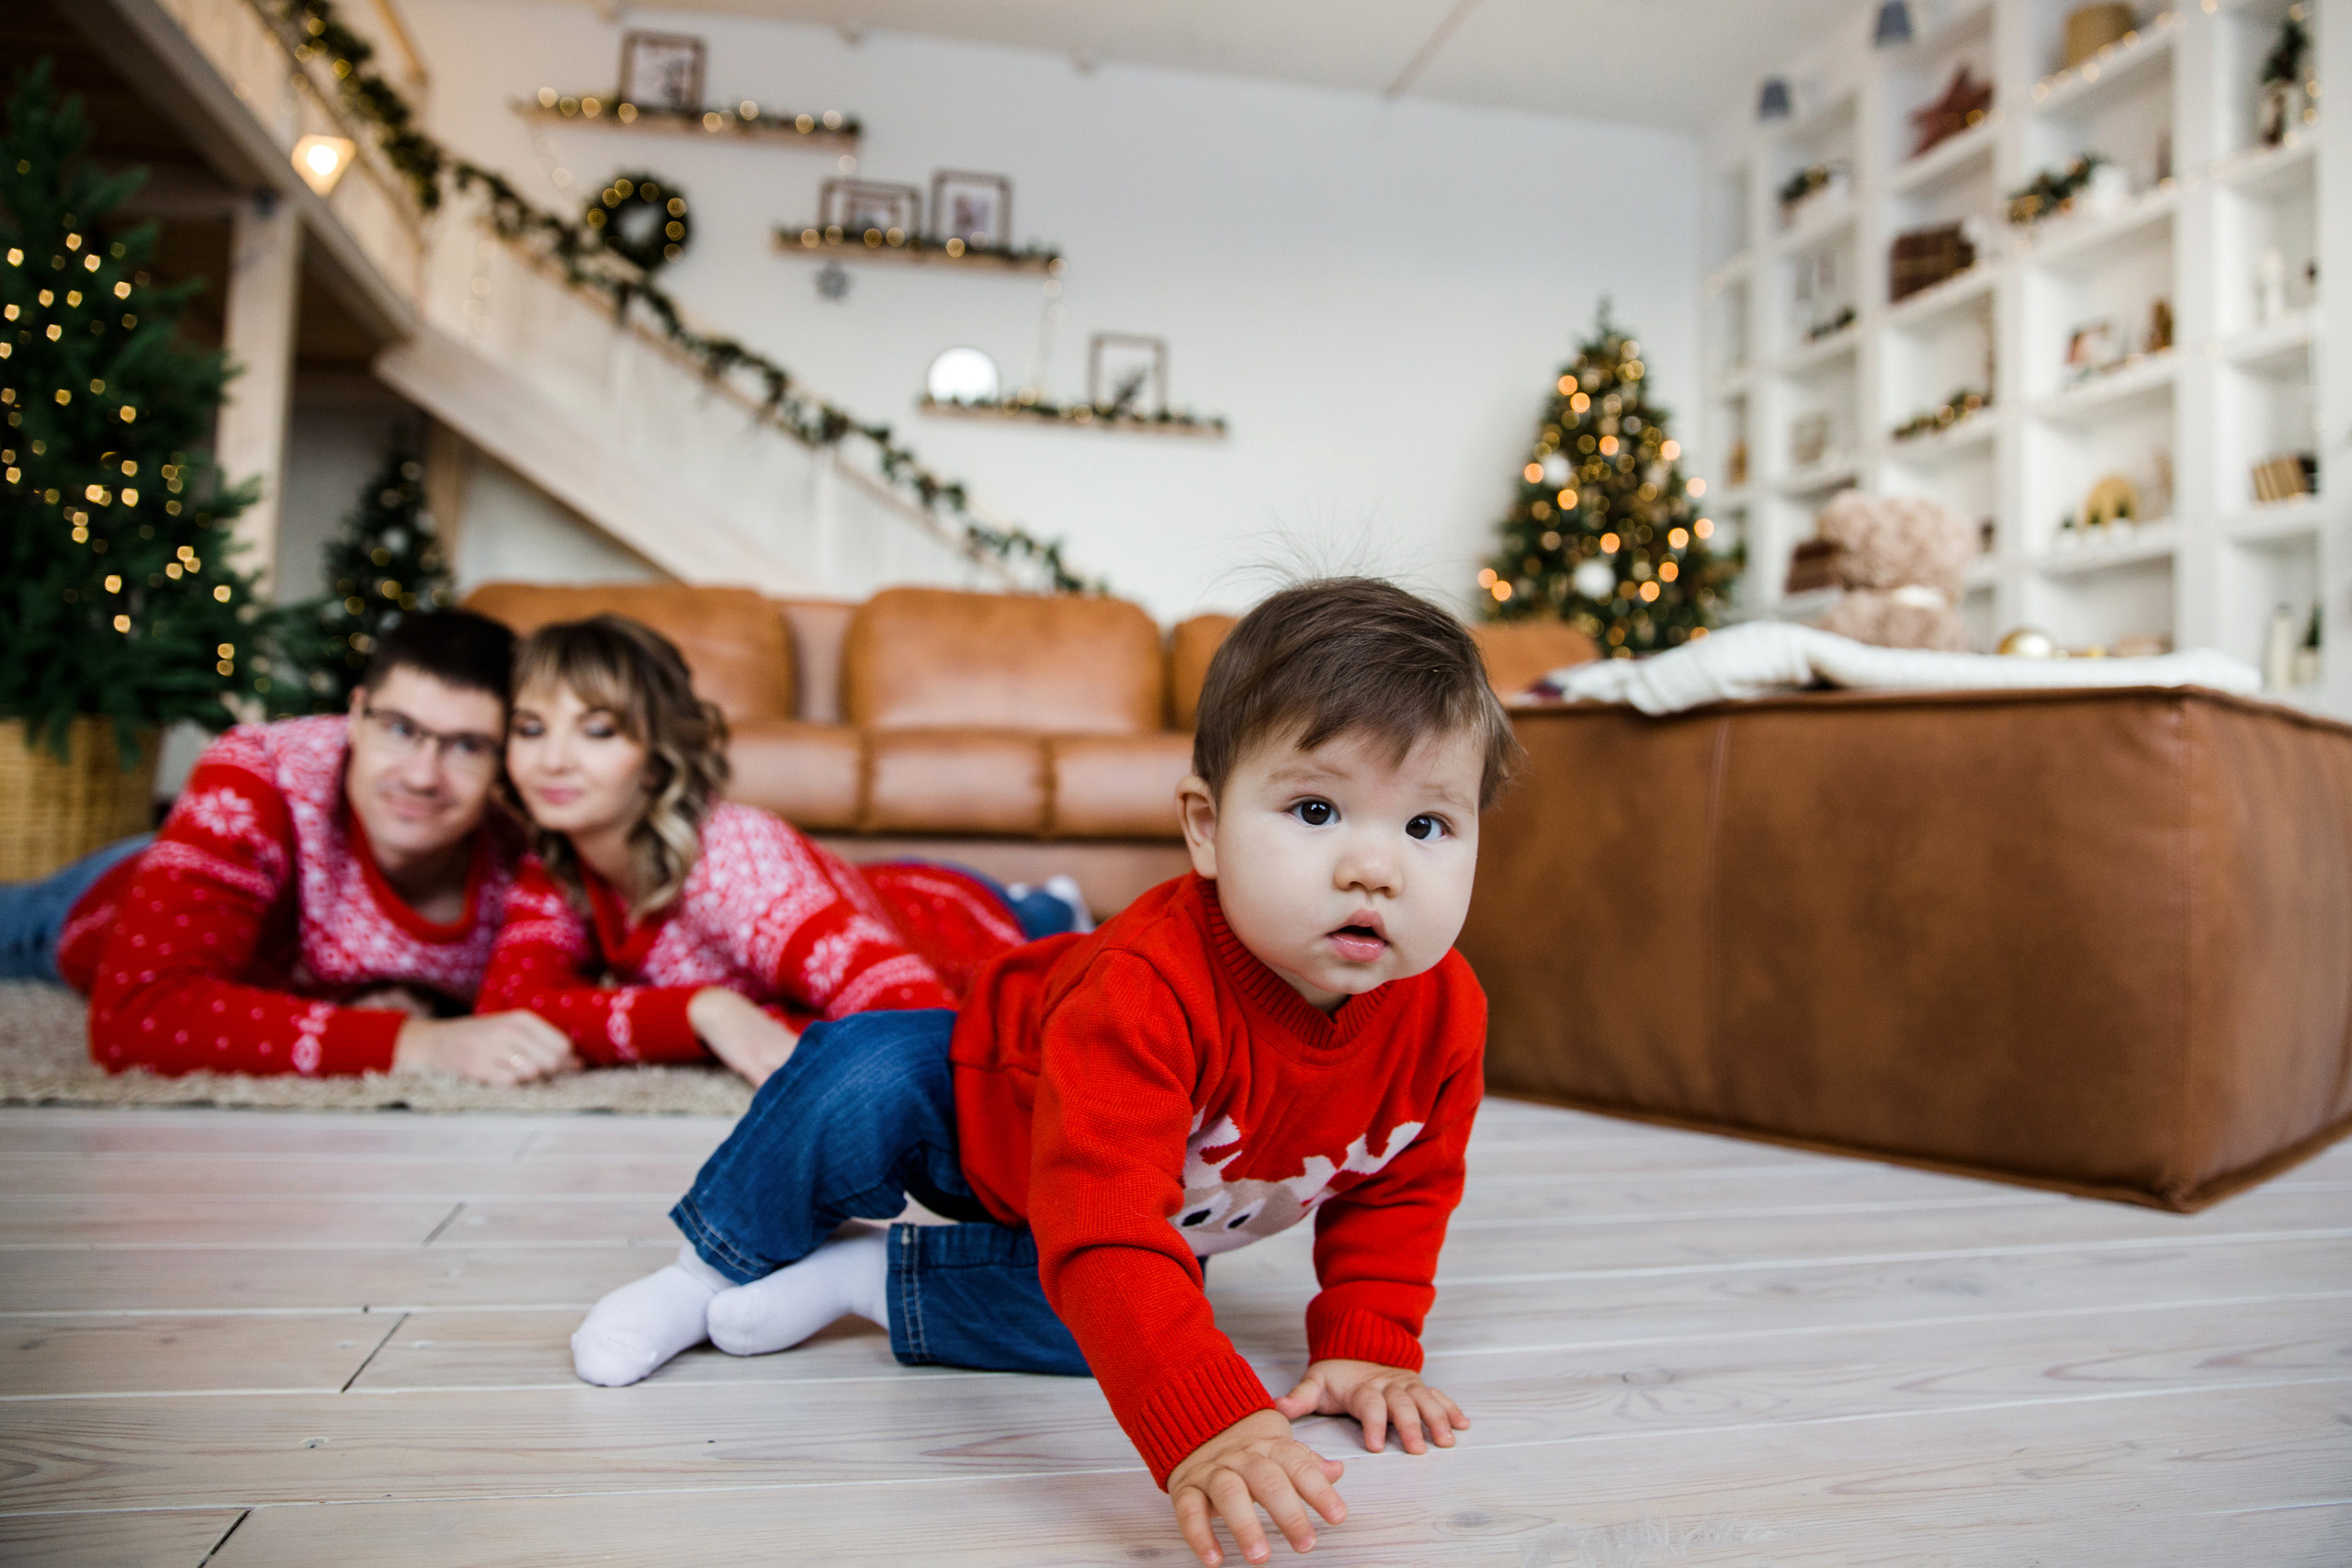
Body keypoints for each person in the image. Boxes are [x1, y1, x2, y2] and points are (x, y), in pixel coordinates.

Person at [569, 578, 1519, 1567]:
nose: (1376, 868)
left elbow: (1402, 1181)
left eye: (1425, 827)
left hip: (1133, 1206)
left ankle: (868, 1280)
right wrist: (1203, 1425)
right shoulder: (1144, 985)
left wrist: (1366, 1338)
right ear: (1204, 828)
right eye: (1316, 809)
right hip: (982, 1110)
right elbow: (1101, 1224)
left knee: (1126, 1317)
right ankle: (708, 1266)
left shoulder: (1444, 1013)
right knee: (858, 1074)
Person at [478, 615, 1081, 1088]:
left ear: (658, 753)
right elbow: (508, 1008)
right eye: (530, 728)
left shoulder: (732, 867)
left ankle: (1054, 906)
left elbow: (918, 1023)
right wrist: (701, 1014)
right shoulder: (557, 855)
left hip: (964, 923)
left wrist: (746, 1019)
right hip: (871, 890)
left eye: (597, 729)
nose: (551, 759)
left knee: (1066, 964)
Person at [1, 610, 580, 1083]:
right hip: (95, 905)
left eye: (468, 746)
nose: (423, 775)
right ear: (355, 715)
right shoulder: (259, 774)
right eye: (400, 729)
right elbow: (135, 1017)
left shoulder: (525, 852)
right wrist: (417, 1042)